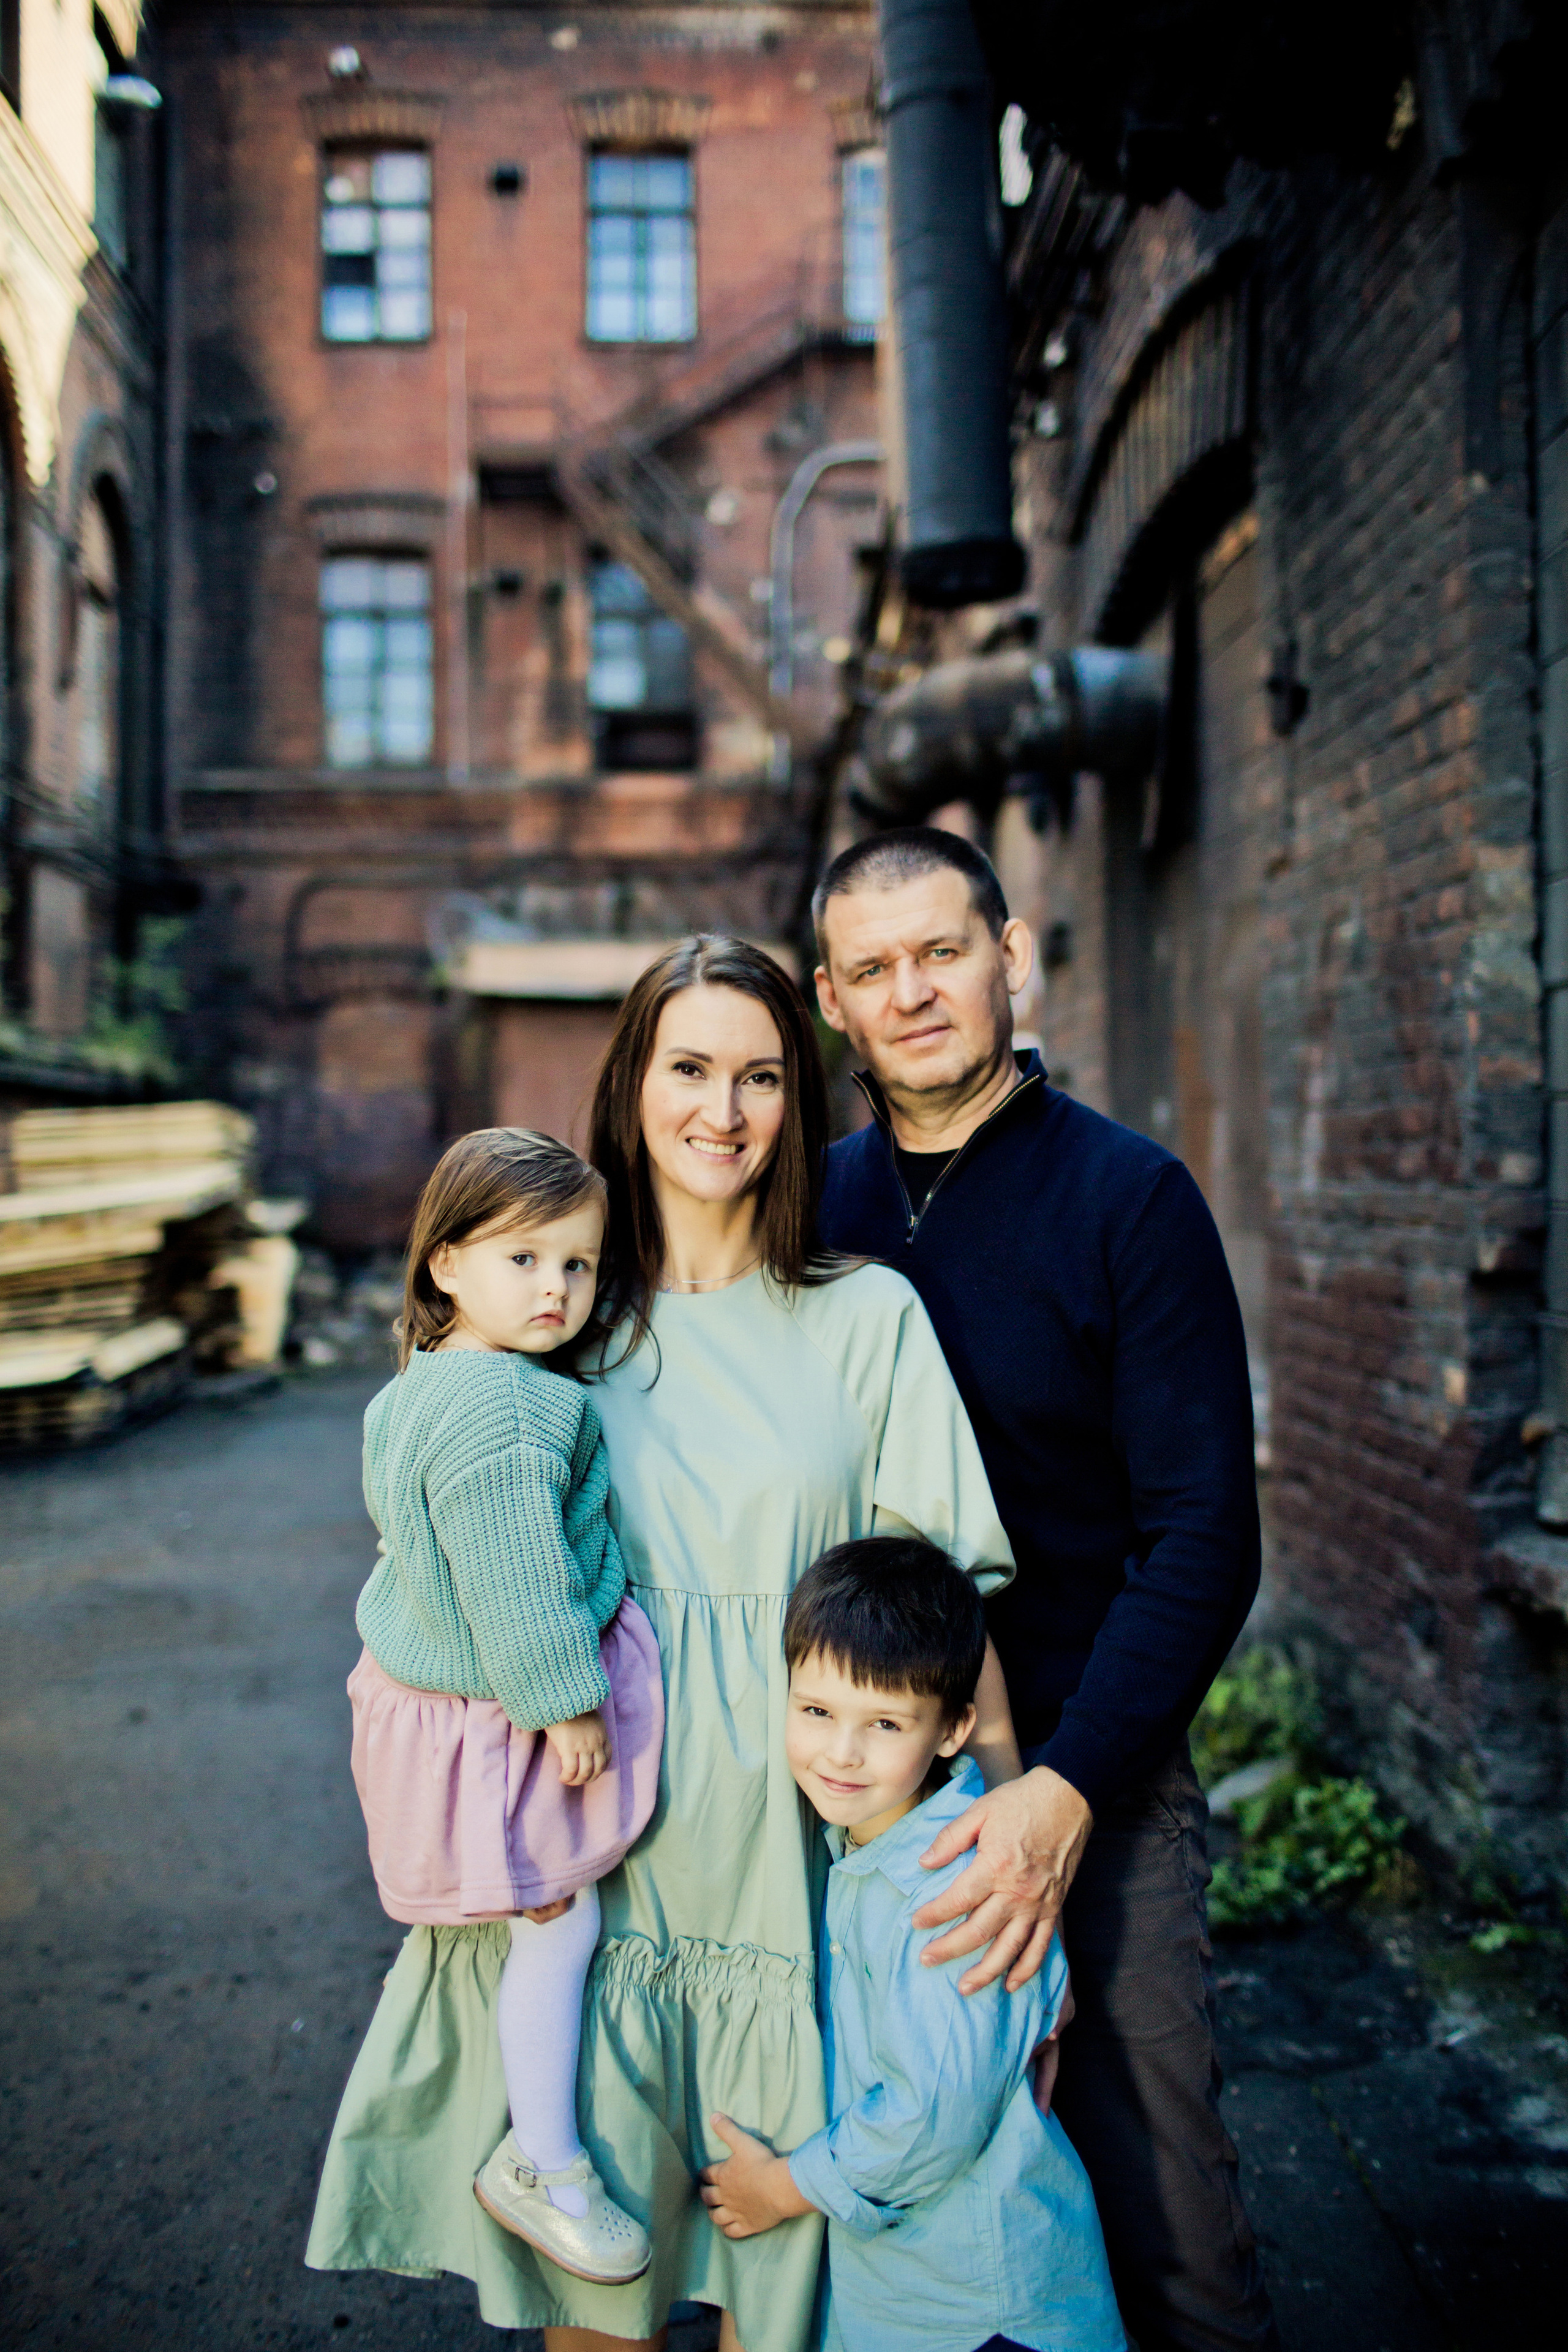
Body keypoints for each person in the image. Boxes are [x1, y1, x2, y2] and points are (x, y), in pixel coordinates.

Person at [306, 936, 1017, 2352]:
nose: (723, 1108)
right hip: (596, 1854)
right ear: (631, 1086)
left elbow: (940, 1614)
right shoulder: (549, 1318)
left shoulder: (864, 1315)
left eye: (761, 1075)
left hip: (787, 1861)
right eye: (688, 1067)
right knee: (599, 2309)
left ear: (796, 1105)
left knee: (781, 2306)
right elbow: (439, 1574)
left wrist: (1001, 1839)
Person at [814, 829, 1278, 2352]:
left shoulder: (1126, 1201)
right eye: (874, 969)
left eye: (941, 951)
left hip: (1093, 1769)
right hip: (854, 1793)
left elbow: (1204, 1535)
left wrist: (1070, 1785)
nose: (914, 992)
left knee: (1160, 2210)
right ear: (832, 1001)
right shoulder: (808, 1212)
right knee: (890, 2199)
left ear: (1009, 956)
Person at [307, 1129, 665, 2288]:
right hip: (502, 1715)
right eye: (525, 1260)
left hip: (441, 1701)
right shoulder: (509, 1407)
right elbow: (515, 1578)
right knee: (561, 1925)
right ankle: (546, 2162)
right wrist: (569, 1703)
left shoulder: (424, 1385)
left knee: (544, 1927)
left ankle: (541, 2150)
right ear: (446, 1263)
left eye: (578, 1266)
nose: (557, 1290)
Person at [698, 1536, 1126, 2352]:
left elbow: (934, 2112)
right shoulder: (870, 1843)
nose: (841, 1753)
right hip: (919, 2294)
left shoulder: (945, 1892)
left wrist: (785, 2189)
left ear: (953, 1729)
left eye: (886, 1722)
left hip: (981, 2310)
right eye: (816, 1710)